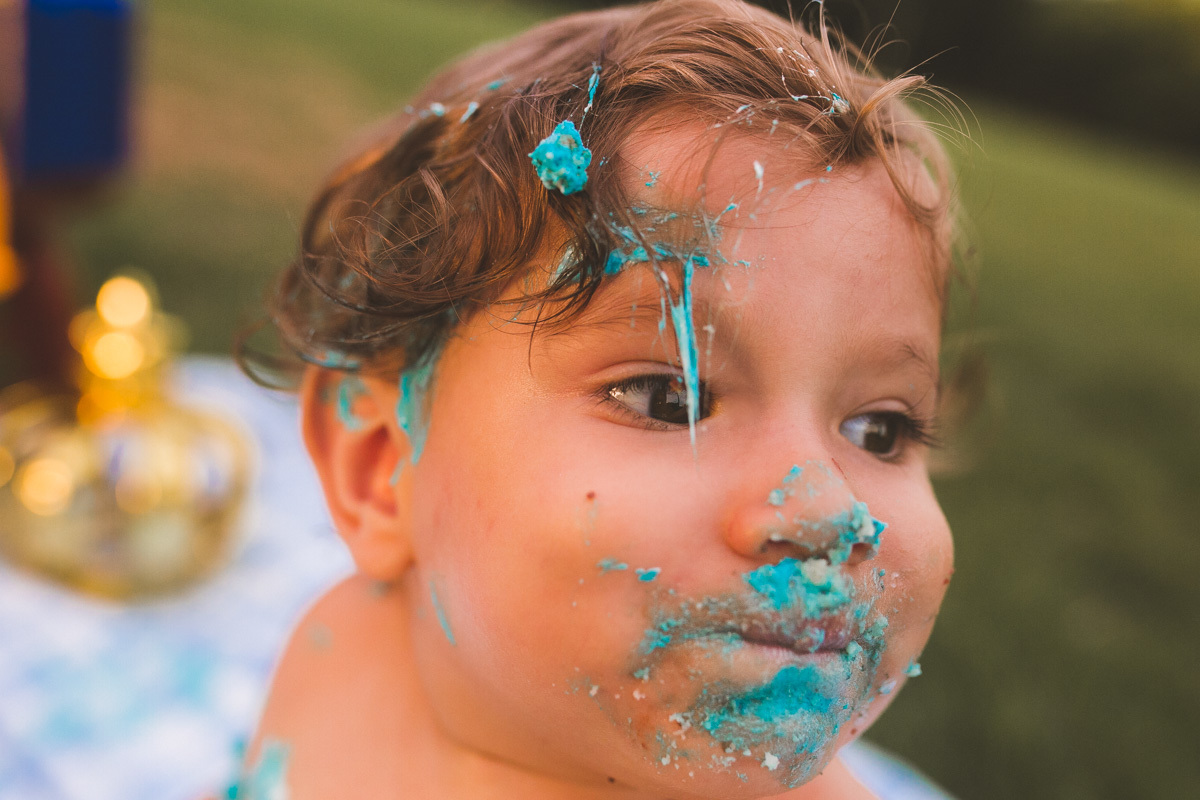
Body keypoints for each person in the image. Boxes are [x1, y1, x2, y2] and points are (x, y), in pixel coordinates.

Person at [235, 0, 962, 796]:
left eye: (879, 429)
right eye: (667, 397)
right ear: (382, 467)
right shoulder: (347, 656)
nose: (824, 512)